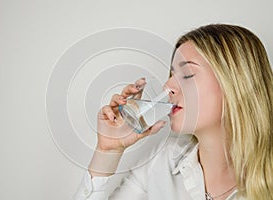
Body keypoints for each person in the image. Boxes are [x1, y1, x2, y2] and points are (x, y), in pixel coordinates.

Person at [74, 24, 273, 200]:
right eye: (171, 74)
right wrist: (109, 150)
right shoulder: (164, 159)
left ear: (237, 84)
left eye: (187, 74)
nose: (167, 86)